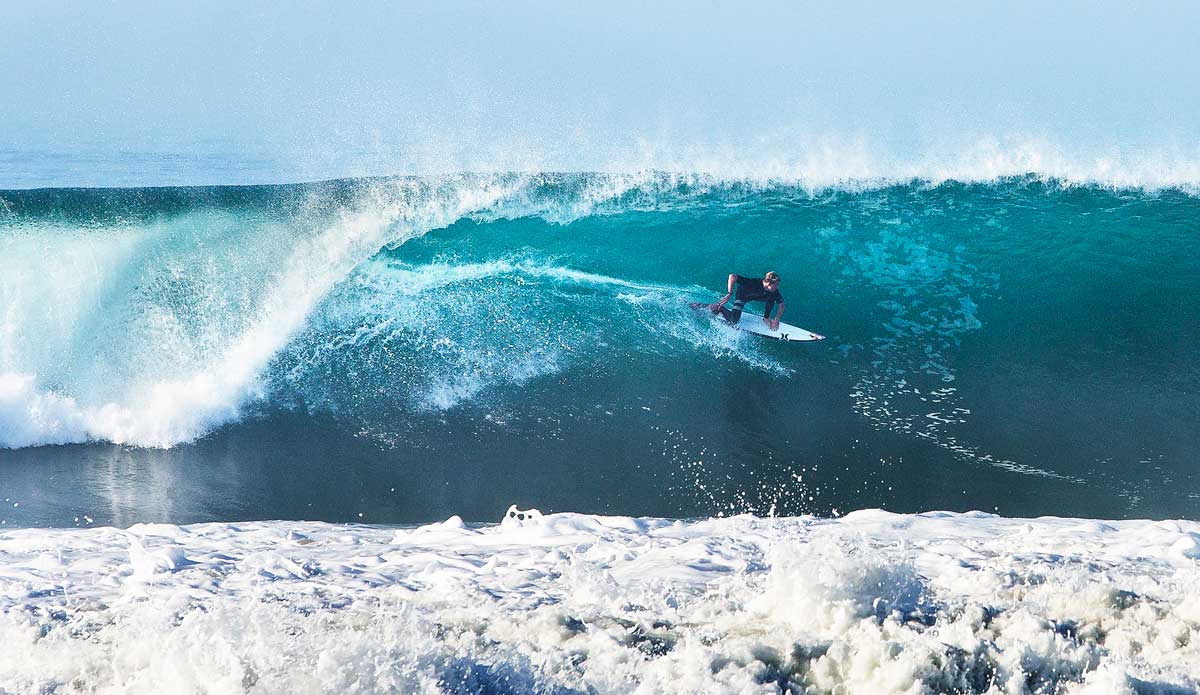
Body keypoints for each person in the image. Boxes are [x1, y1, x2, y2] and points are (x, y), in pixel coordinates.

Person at [709, 271, 786, 330]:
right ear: (769, 283)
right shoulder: (753, 283)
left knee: (772, 297)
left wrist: (777, 318)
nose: (777, 287)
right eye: (776, 285)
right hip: (743, 295)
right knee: (734, 321)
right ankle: (718, 307)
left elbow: (781, 304)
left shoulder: (773, 291)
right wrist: (729, 293)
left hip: (758, 296)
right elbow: (732, 276)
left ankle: (766, 317)